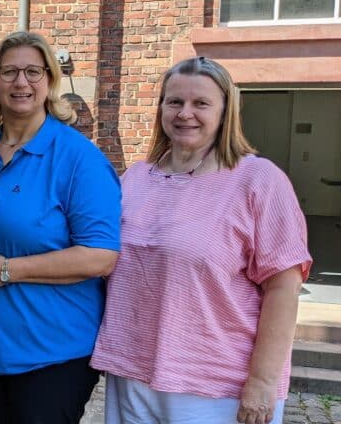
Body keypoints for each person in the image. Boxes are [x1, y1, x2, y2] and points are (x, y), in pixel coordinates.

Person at [91, 56, 311, 424]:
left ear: (226, 112)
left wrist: (262, 382)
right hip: (131, 369)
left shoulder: (257, 180)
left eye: (201, 104)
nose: (185, 113)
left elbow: (283, 288)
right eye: (174, 102)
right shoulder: (136, 178)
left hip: (216, 382)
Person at [0, 31, 120, 424]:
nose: (21, 82)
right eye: (9, 72)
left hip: (52, 354)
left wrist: (8, 270)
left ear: (49, 81)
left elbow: (101, 256)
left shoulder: (78, 158)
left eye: (33, 71)